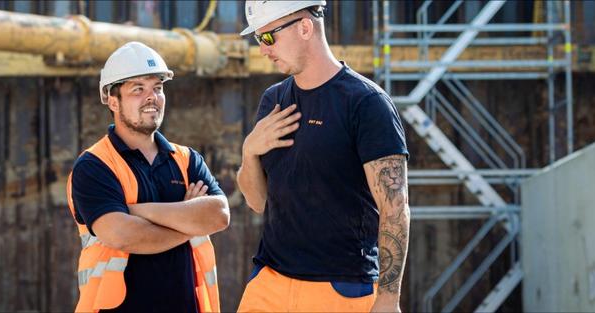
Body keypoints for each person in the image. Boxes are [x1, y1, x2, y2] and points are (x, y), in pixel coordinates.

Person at [235, 1, 411, 312]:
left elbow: (394, 208)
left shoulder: (367, 103)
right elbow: (258, 202)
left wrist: (388, 298)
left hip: (340, 289)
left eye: (268, 37)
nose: (263, 49)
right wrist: (249, 152)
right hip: (269, 283)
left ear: (304, 27)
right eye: (258, 39)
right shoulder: (273, 100)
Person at [66, 41, 230, 312]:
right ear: (112, 99)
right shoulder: (95, 165)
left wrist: (137, 211)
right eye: (138, 89)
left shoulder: (186, 159)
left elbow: (219, 215)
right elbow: (122, 234)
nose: (151, 97)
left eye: (158, 88)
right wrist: (189, 221)